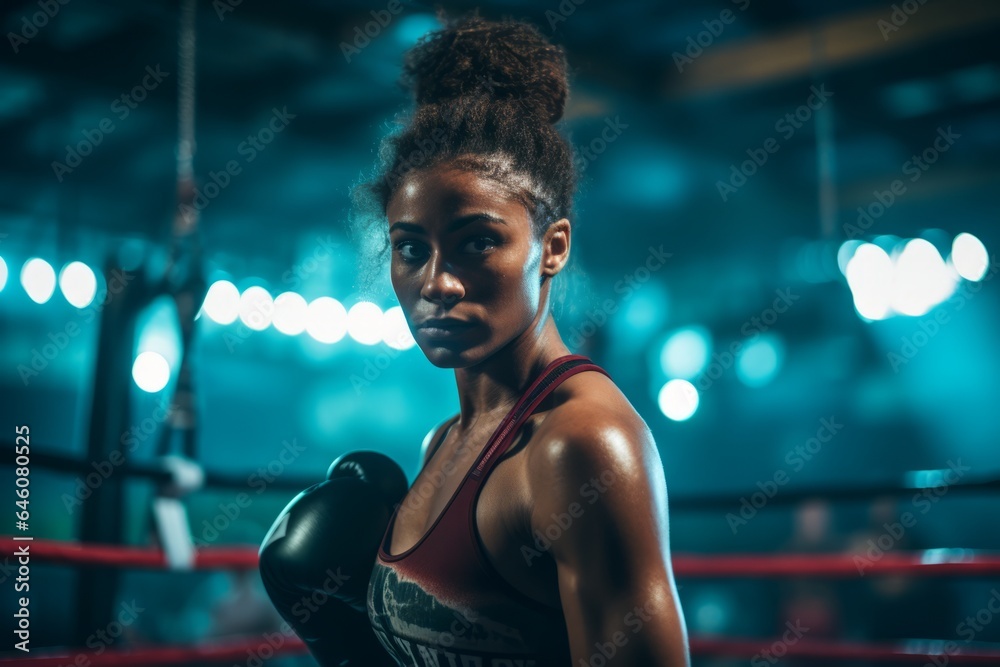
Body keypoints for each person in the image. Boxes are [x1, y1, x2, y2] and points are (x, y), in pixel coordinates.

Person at [261, 11, 689, 667]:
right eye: (411, 248)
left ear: (552, 247)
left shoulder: (582, 447)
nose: (438, 283)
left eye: (478, 242)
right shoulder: (445, 441)